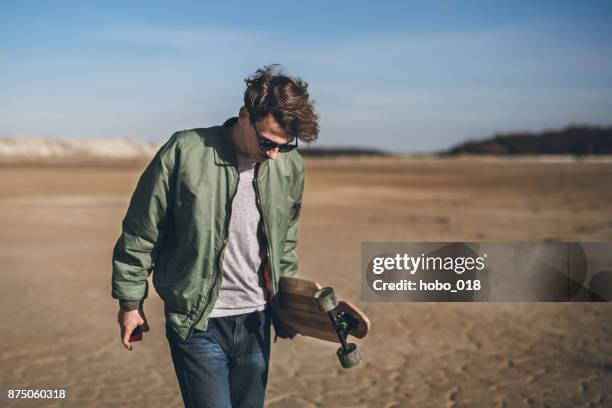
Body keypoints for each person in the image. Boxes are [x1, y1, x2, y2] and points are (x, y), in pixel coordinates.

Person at [111, 65, 319, 407]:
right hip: (198, 322)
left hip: (257, 321)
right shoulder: (186, 151)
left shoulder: (288, 165)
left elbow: (285, 240)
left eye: (284, 146)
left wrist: (288, 305)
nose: (272, 154)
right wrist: (130, 303)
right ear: (243, 116)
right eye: (267, 142)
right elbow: (142, 231)